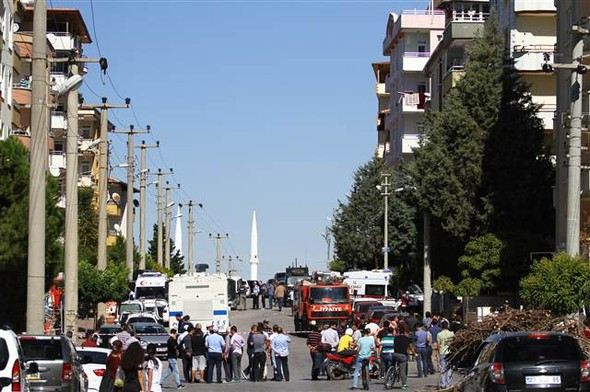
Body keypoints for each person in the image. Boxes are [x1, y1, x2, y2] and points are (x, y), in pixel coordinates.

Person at [437, 321, 454, 389]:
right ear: (448, 326)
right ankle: (448, 383)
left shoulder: (439, 334)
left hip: (442, 352)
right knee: (449, 369)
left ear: (441, 326)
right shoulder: (452, 334)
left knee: (443, 369)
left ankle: (443, 384)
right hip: (449, 352)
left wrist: (437, 353)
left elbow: (438, 345)